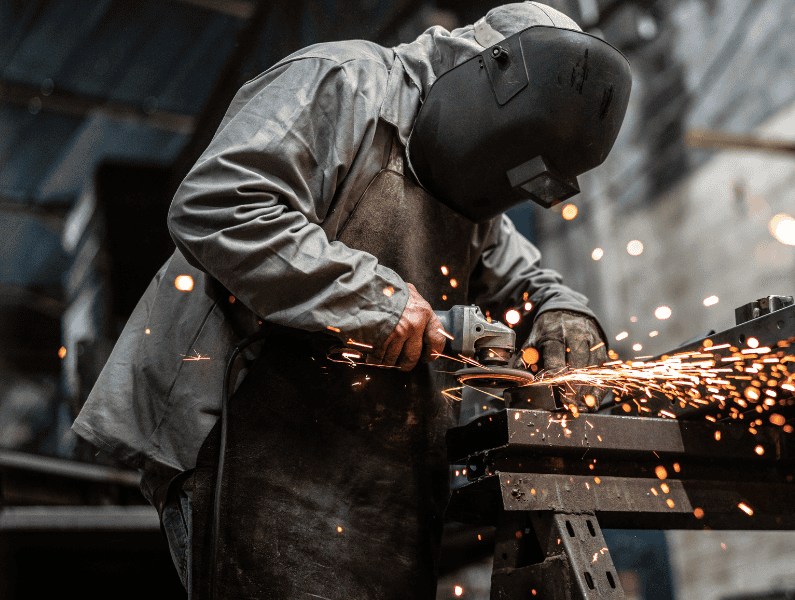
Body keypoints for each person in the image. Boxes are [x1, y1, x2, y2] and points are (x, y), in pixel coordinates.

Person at [71, 3, 631, 597]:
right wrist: (380, 302)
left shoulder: (472, 186)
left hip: (384, 479)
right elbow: (220, 203)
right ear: (484, 75)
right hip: (254, 445)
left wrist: (563, 311)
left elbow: (530, 278)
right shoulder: (344, 82)